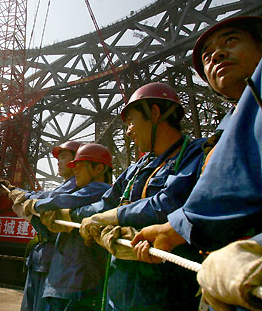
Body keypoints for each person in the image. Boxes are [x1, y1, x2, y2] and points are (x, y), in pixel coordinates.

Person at [43, 82, 207, 311]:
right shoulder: (139, 166)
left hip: (164, 291)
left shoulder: (196, 155)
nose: (128, 130)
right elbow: (107, 203)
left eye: (131, 120)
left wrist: (113, 217)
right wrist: (71, 215)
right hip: (120, 286)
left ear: (156, 113)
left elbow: (169, 202)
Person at [131, 16, 262, 264]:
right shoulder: (221, 133)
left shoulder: (192, 151)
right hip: (223, 275)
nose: (216, 55)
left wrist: (177, 228)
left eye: (231, 40)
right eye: (207, 56)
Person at [20, 143, 113, 311]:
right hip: (63, 281)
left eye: (80, 167)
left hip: (75, 283)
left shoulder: (100, 189)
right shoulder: (89, 192)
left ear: (99, 168)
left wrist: (33, 203)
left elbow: (63, 200)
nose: (75, 171)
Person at [0, 141, 82, 311]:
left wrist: (20, 193)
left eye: (63, 157)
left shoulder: (76, 187)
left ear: (77, 161)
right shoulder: (65, 186)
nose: (58, 162)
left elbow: (48, 198)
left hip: (53, 261)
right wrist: (17, 191)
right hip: (41, 258)